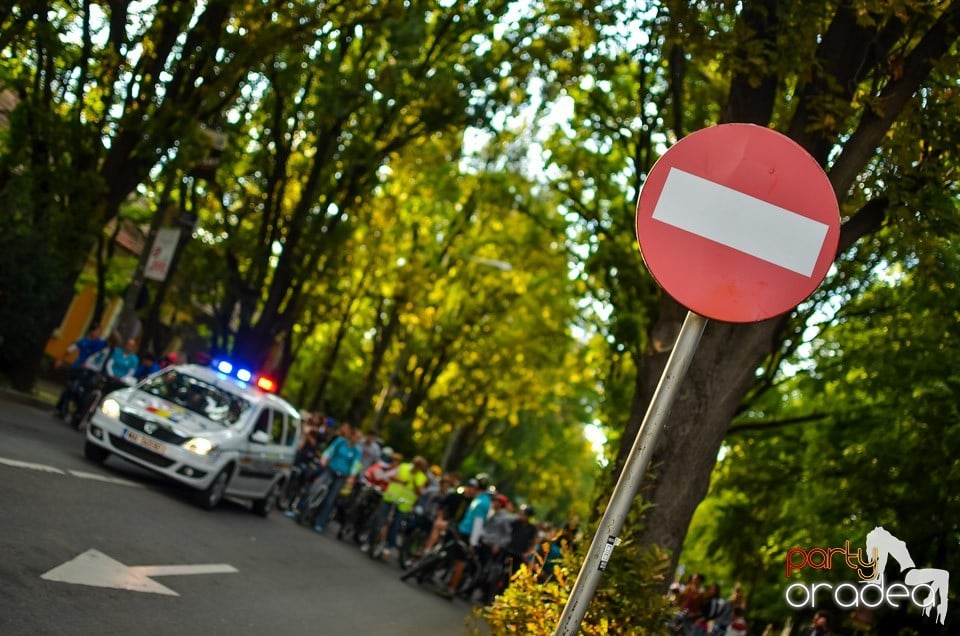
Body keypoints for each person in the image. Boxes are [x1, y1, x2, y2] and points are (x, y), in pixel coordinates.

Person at [436, 475, 493, 600]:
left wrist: (472, 543)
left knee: (460, 563)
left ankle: (451, 589)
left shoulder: (481, 502)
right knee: (455, 558)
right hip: (463, 530)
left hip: (467, 535)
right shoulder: (481, 499)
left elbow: (478, 523)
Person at [300, 424, 363, 534]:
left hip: (342, 476)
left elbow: (355, 464)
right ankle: (301, 508)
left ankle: (320, 522)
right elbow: (330, 450)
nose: (357, 440)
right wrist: (324, 459)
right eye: (356, 437)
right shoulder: (341, 442)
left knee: (330, 499)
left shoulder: (357, 451)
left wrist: (351, 476)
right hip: (330, 469)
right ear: (351, 436)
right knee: (316, 486)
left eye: (359, 438)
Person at [53, 326, 107, 418]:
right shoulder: (82, 341)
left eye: (99, 332)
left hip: (90, 371)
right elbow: (69, 350)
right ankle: (61, 407)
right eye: (97, 331)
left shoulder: (100, 343)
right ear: (92, 331)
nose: (98, 334)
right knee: (70, 387)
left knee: (87, 391)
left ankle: (79, 413)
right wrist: (60, 360)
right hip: (78, 367)